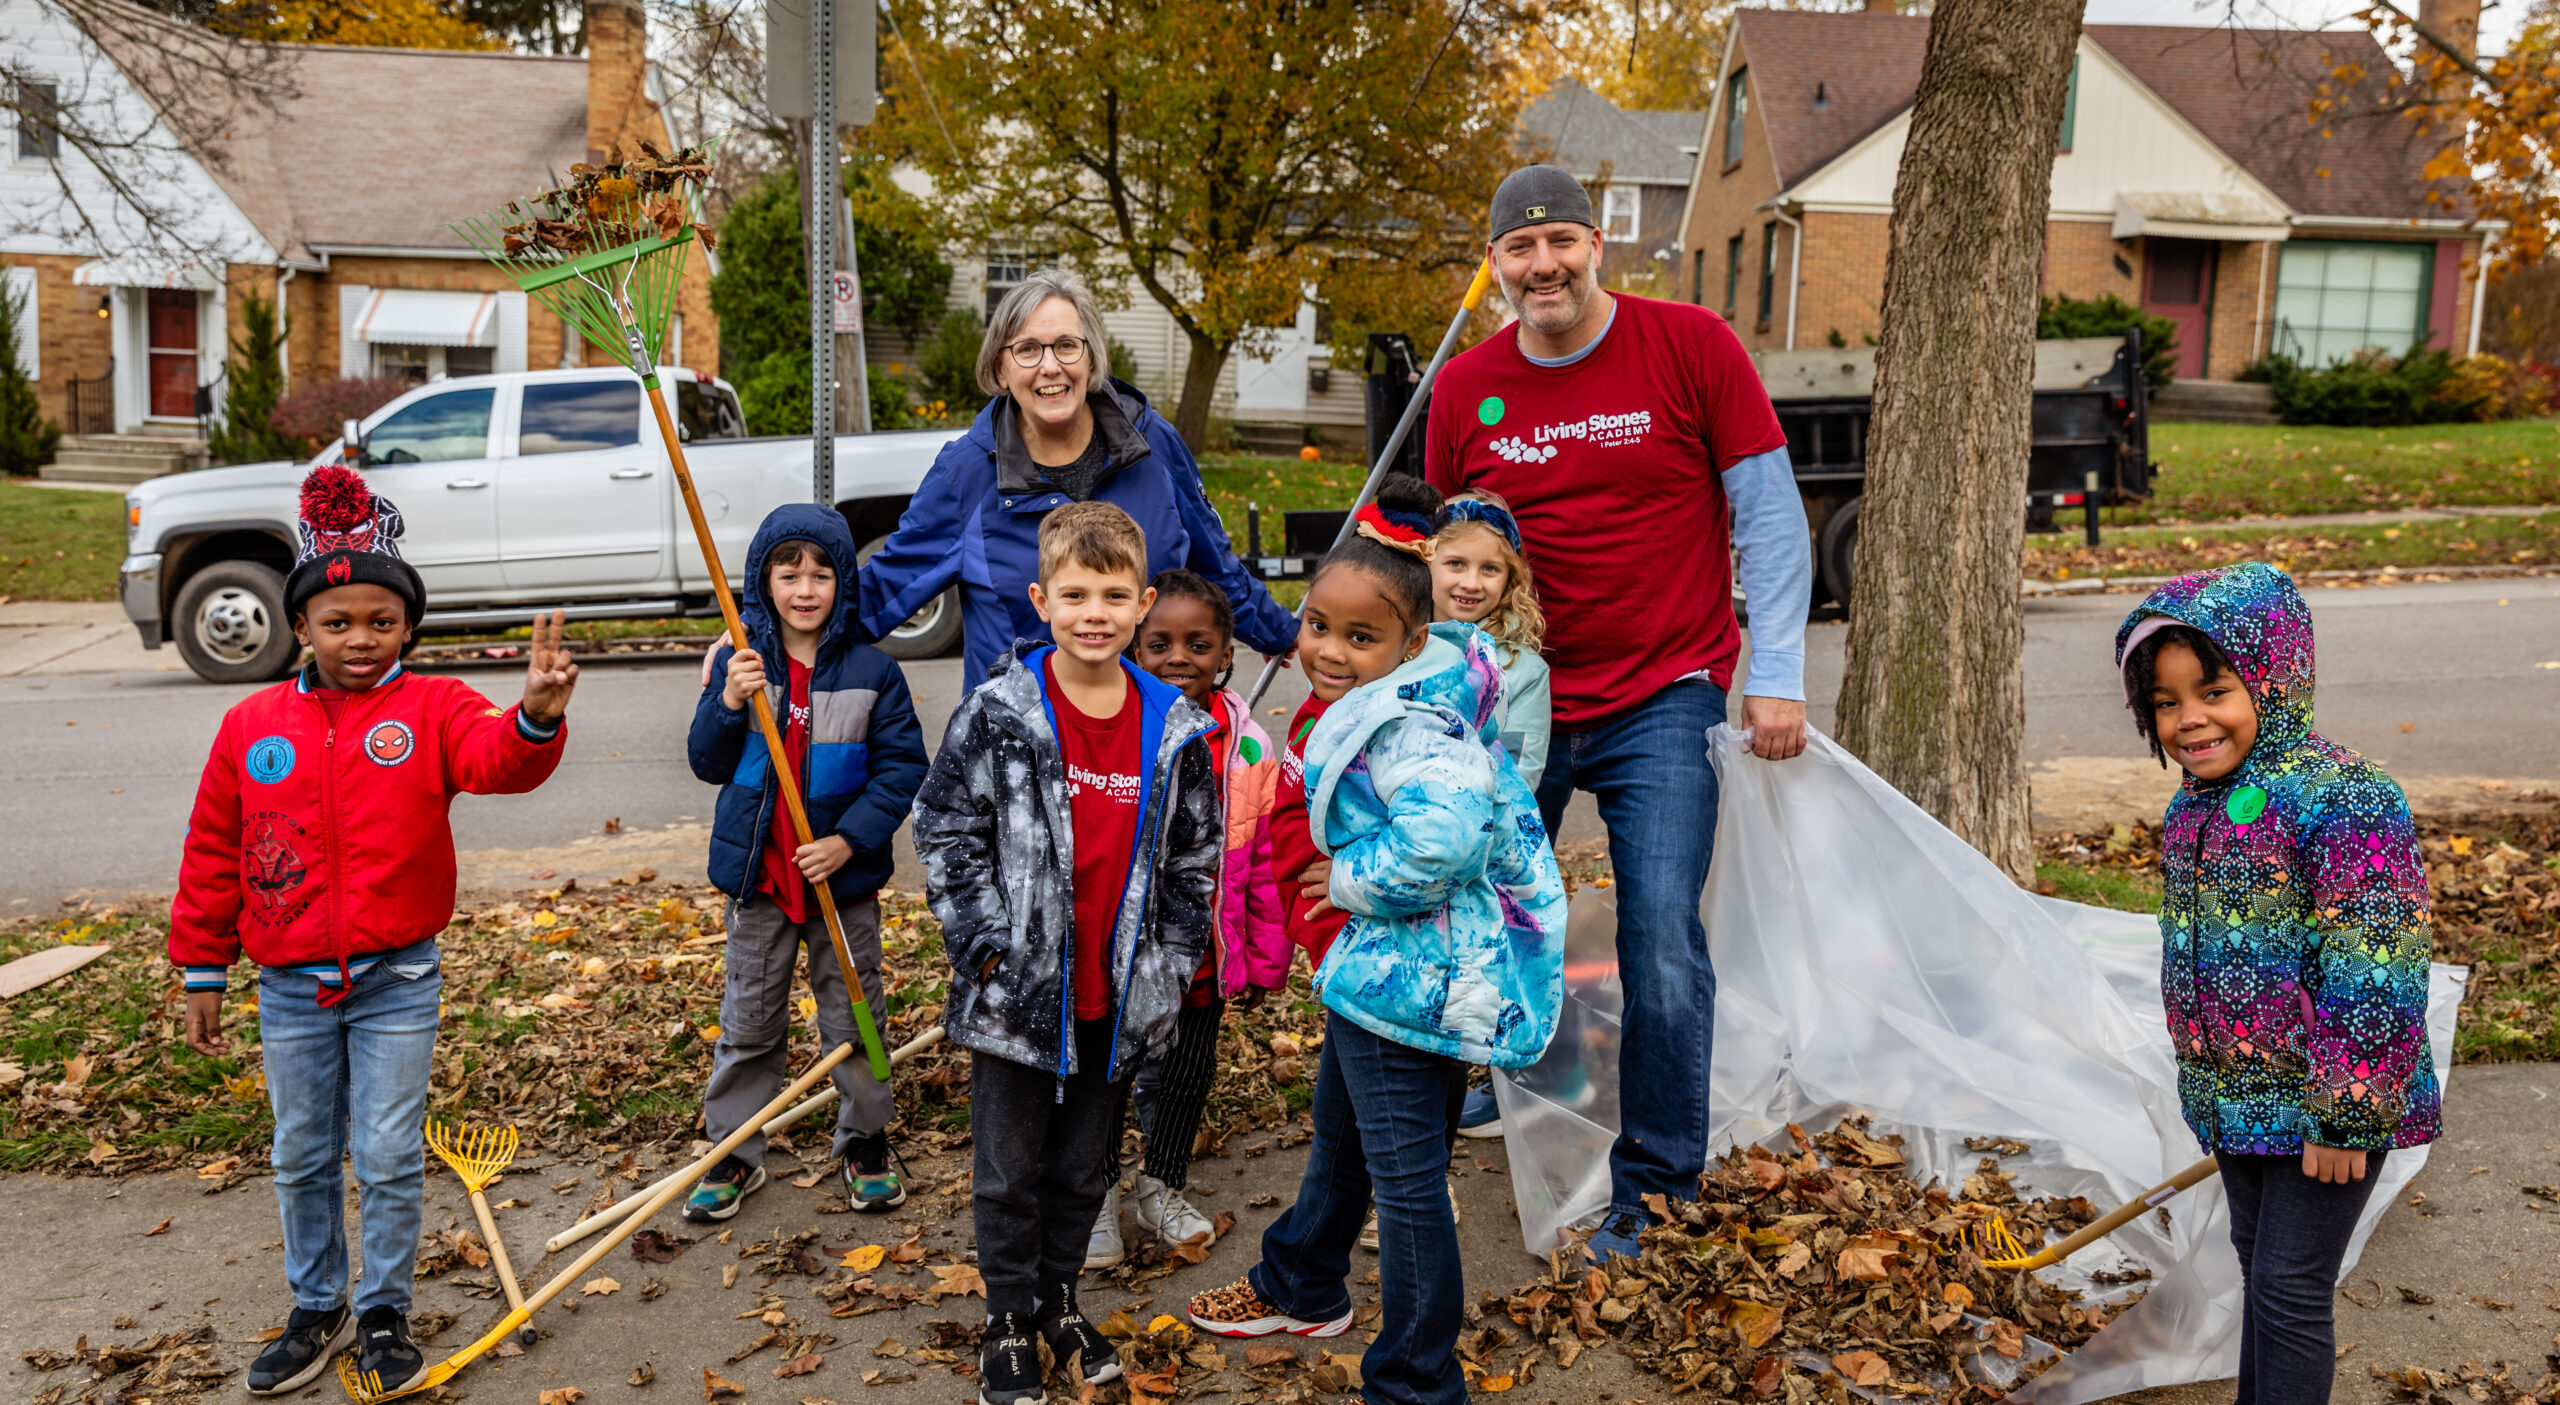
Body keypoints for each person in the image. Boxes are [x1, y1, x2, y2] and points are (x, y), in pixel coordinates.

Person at [1422, 163, 1814, 1261]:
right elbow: (1455, 554)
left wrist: (1772, 670)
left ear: (1598, 245)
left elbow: (1772, 519)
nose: (1541, 264)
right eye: (1518, 248)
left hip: (1663, 690)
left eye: (1560, 241)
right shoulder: (1466, 390)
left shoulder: (1690, 346)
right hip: (1518, 697)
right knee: (1488, 916)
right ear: (1494, 264)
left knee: (1660, 941)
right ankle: (1505, 1081)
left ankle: (1657, 1186)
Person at [172, 464, 577, 1398]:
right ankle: (317, 1304)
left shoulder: (433, 707)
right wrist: (202, 967)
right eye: (339, 621)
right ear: (302, 625)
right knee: (301, 1150)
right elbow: (213, 849)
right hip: (288, 985)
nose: (362, 638)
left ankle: (386, 1308)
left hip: (398, 977)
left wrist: (534, 718)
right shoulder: (251, 724)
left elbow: (494, 762)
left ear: (408, 625)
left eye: (382, 621)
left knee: (389, 1151)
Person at [1185, 480, 1568, 1405]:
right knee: (1346, 1132)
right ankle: (1304, 1282)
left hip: (1410, 979)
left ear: (1409, 640)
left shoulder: (1409, 722)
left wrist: (1351, 878)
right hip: (1397, 973)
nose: (1328, 649)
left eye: (1361, 638)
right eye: (1318, 624)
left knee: (1408, 1188)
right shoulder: (1408, 686)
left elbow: (1445, 837)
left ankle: (1416, 1382)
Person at [913, 501, 1224, 1405]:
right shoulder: (1002, 712)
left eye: (1114, 593)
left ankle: (1059, 1300)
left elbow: (1195, 860)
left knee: (1083, 1165)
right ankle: (1008, 1315)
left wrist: (1166, 969)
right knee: (1008, 1169)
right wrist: (979, 945)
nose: (1095, 610)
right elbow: (945, 825)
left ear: (1143, 603)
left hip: (1118, 995)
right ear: (1041, 598)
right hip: (1017, 995)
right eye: (1076, 592)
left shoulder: (1175, 727)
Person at [2115, 562, 2439, 1405]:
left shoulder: (2346, 801)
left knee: (2291, 1291)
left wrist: (2345, 1112)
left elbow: (2378, 966)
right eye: (2165, 702)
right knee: (2263, 1273)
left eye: (2213, 690)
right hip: (2240, 1098)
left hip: (2327, 1103)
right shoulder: (2194, 806)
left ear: (2275, 678)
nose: (2190, 720)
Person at [858, 268, 1297, 692]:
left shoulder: (1152, 444)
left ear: (1091, 358)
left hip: (1142, 734)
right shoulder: (966, 472)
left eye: (1067, 345)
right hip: (1015, 745)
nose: (1050, 366)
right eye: (1027, 350)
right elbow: (887, 587)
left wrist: (1289, 633)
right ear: (999, 370)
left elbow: (1214, 564)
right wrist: (800, 618)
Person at [683, 503, 930, 1221]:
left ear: (842, 583)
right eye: (788, 573)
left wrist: (848, 839)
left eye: (822, 573)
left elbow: (900, 768)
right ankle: (732, 1148)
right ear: (763, 582)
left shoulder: (873, 672)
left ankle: (865, 1139)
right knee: (751, 1017)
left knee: (855, 1014)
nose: (805, 587)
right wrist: (728, 700)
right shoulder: (739, 661)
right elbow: (706, 761)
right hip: (761, 878)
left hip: (839, 880)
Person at [1088, 569, 1289, 1268]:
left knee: (1187, 1071)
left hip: (1204, 952)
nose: (1178, 657)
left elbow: (1261, 860)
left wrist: (1264, 956)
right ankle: (1094, 1197)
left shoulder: (1250, 747)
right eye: (1159, 643)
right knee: (1111, 1074)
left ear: (1226, 654)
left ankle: (1161, 1183)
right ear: (1132, 649)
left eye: (1197, 643)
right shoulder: (1113, 728)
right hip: (1122, 952)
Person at [1428, 489, 1550, 792]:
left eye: (1489, 569)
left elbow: (1517, 780)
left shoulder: (1523, 670)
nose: (1471, 583)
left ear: (1509, 578)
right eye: (1455, 563)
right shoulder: (1389, 644)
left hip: (1475, 826)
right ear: (1425, 561)